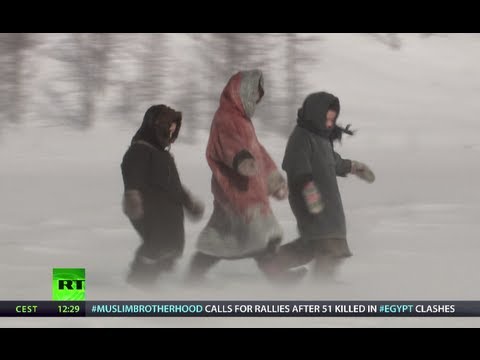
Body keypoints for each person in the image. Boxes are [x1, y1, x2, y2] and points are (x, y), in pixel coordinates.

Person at [187, 69, 305, 283]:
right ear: (240, 93)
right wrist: (241, 160)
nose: (256, 101)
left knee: (226, 238)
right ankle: (279, 279)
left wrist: (274, 181)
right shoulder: (225, 118)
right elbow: (229, 145)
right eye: (253, 96)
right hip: (234, 191)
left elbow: (258, 153)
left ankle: (194, 277)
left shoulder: (243, 121)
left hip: (249, 190)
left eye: (258, 98)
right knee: (260, 234)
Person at [269, 91, 375, 280]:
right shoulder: (301, 137)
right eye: (326, 118)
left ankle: (279, 267)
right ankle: (320, 288)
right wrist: (311, 195)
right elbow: (297, 168)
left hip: (328, 201)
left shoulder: (322, 138)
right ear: (316, 114)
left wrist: (355, 167)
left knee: (318, 244)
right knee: (324, 242)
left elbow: (333, 162)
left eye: (332, 120)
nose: (329, 124)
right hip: (309, 199)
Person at [121, 104, 204, 286]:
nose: (172, 131)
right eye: (169, 127)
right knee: (158, 241)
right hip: (147, 205)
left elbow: (174, 185)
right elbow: (131, 171)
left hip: (169, 209)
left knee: (173, 245)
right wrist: (132, 195)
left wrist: (188, 201)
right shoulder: (139, 149)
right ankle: (137, 280)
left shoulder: (164, 156)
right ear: (156, 125)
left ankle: (153, 280)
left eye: (174, 128)